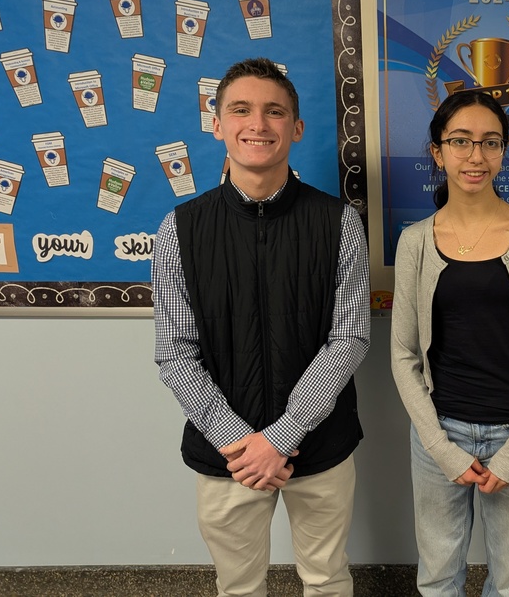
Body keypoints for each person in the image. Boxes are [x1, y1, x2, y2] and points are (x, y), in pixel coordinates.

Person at [153, 57, 370, 597]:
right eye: (241, 110)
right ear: (217, 123)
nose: (258, 124)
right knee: (239, 587)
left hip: (318, 450)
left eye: (275, 112)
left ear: (296, 128)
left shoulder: (338, 222)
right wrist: (241, 441)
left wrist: (282, 437)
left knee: (325, 578)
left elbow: (349, 338)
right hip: (228, 456)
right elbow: (174, 351)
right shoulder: (180, 228)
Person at [390, 88, 509, 597]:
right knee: (439, 575)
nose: (476, 156)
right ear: (437, 152)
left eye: (490, 143)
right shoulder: (416, 241)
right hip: (439, 434)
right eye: (461, 141)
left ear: (504, 151)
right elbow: (403, 355)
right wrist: (441, 448)